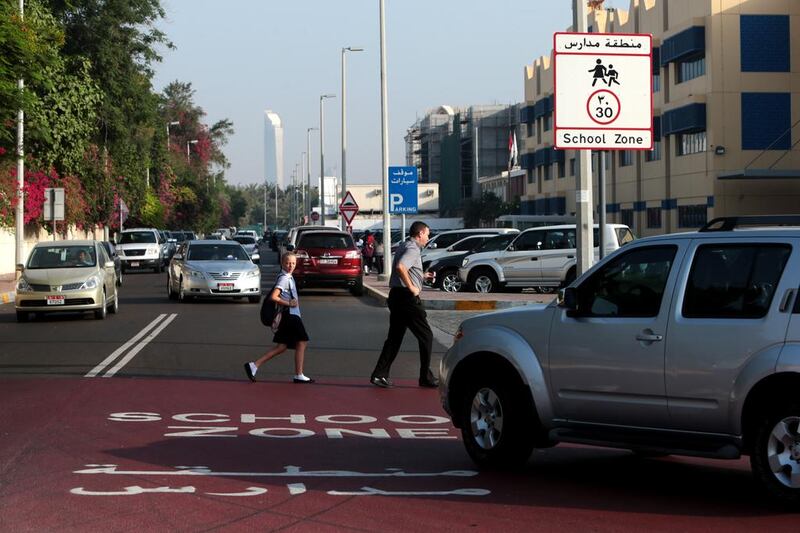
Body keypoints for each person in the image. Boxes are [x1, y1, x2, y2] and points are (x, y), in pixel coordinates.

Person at [370, 221, 438, 389]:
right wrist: (413, 287)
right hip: (407, 299)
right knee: (426, 336)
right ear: (420, 234)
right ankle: (425, 377)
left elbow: (406, 268)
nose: (428, 238)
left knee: (394, 338)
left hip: (396, 296)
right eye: (427, 234)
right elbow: (401, 267)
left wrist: (421, 276)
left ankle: (379, 374)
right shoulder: (413, 248)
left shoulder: (404, 245)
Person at [244, 252, 314, 384]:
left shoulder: (287, 276)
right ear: (282, 263)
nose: (290, 266)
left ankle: (254, 365)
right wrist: (289, 303)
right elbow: (274, 297)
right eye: (288, 263)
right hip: (290, 315)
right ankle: (299, 374)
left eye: (293, 263)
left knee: (282, 346)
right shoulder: (285, 278)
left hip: (289, 315)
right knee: (303, 341)